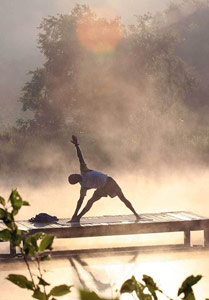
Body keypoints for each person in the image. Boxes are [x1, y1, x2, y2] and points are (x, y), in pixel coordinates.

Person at [68, 135, 140, 223]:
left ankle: (136, 214)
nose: (76, 174)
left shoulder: (84, 170)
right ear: (76, 181)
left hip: (109, 182)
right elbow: (80, 201)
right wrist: (74, 213)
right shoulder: (84, 186)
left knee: (122, 198)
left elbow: (80, 157)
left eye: (74, 174)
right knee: (90, 202)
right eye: (74, 177)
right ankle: (78, 217)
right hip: (101, 189)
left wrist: (76, 145)